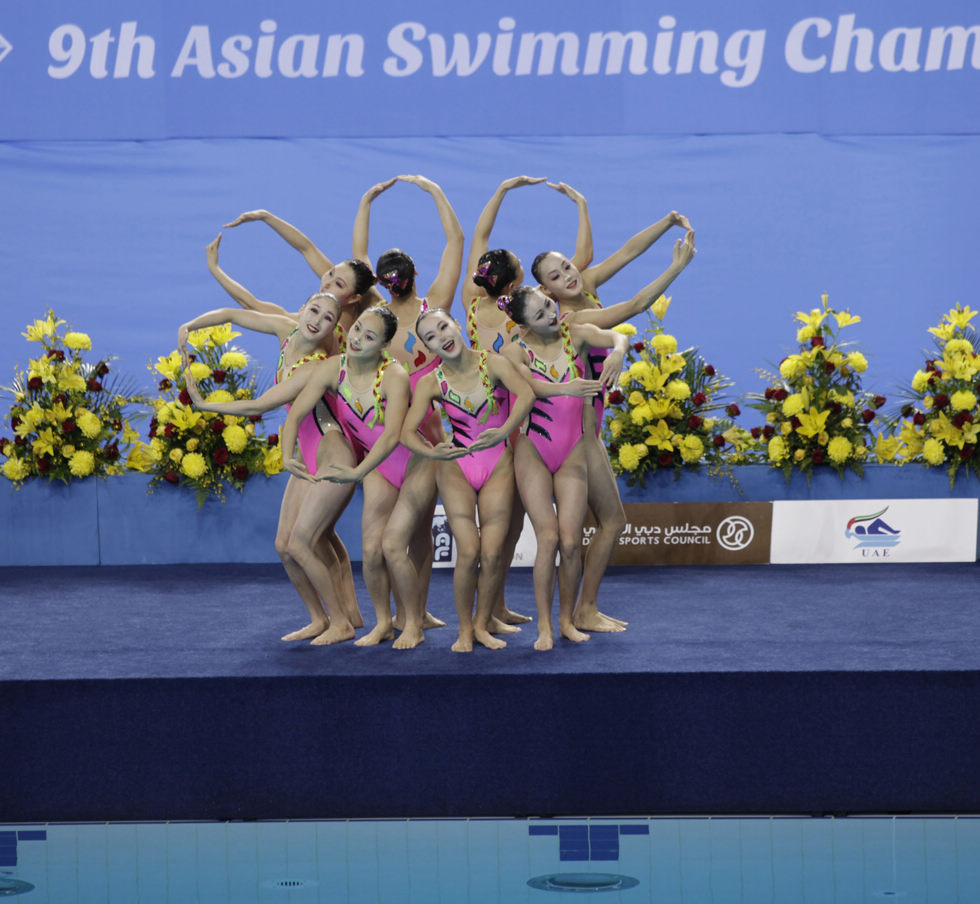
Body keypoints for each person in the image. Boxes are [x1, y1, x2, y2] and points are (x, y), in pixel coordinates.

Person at [531, 206, 695, 633]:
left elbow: (626, 252)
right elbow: (638, 305)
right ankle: (579, 610)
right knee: (611, 521)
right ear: (545, 291)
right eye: (555, 276)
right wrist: (677, 266)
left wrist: (666, 222)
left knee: (596, 525)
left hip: (588, 428)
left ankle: (578, 610)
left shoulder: (585, 285)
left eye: (565, 266)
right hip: (579, 434)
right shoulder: (573, 320)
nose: (567, 276)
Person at [178, 291, 363, 644]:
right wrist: (191, 325)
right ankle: (319, 618)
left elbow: (258, 406)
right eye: (314, 310)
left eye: (327, 318)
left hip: (332, 451)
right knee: (283, 545)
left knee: (301, 543)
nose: (316, 320)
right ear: (304, 306)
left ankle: (342, 623)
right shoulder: (287, 330)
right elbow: (233, 314)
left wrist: (203, 404)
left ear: (332, 328)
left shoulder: (315, 365)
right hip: (310, 452)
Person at [462, 177, 594, 627]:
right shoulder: (530, 311)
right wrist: (579, 205)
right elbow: (586, 260)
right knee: (509, 525)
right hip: (523, 417)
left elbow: (478, 240)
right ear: (522, 283)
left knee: (506, 527)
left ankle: (493, 610)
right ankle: (492, 612)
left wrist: (498, 192)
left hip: (491, 412)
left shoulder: (471, 304)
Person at [279, 305, 431, 649]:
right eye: (358, 329)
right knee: (371, 550)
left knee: (393, 545)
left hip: (413, 465)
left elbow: (392, 435)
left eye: (369, 336)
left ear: (383, 345)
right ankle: (382, 623)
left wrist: (359, 470)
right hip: (378, 469)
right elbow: (296, 413)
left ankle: (413, 623)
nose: (358, 338)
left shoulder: (394, 375)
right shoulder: (334, 367)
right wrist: (287, 455)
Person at [400, 308, 550, 652]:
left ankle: (482, 626)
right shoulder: (430, 382)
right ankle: (464, 630)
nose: (442, 338)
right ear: (426, 347)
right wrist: (436, 452)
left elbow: (525, 395)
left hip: (498, 463)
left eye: (444, 327)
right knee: (469, 551)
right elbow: (407, 432)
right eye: (432, 337)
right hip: (456, 467)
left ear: (457, 324)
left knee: (493, 552)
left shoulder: (493, 363)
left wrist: (505, 430)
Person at [352, 174, 465, 624]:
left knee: (419, 530)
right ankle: (395, 616)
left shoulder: (434, 308)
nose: (394, 283)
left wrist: (436, 191)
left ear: (412, 275)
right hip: (384, 438)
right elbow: (359, 258)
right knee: (379, 538)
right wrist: (366, 202)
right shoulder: (375, 313)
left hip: (426, 433)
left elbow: (455, 241)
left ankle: (414, 613)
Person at [500, 287, 629, 651]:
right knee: (550, 539)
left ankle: (567, 620)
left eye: (548, 305)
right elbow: (531, 386)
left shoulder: (576, 334)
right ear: (522, 325)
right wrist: (566, 388)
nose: (550, 314)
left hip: (573, 448)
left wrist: (618, 353)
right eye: (540, 314)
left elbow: (618, 334)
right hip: (533, 450)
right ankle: (543, 625)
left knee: (571, 542)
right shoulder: (513, 351)